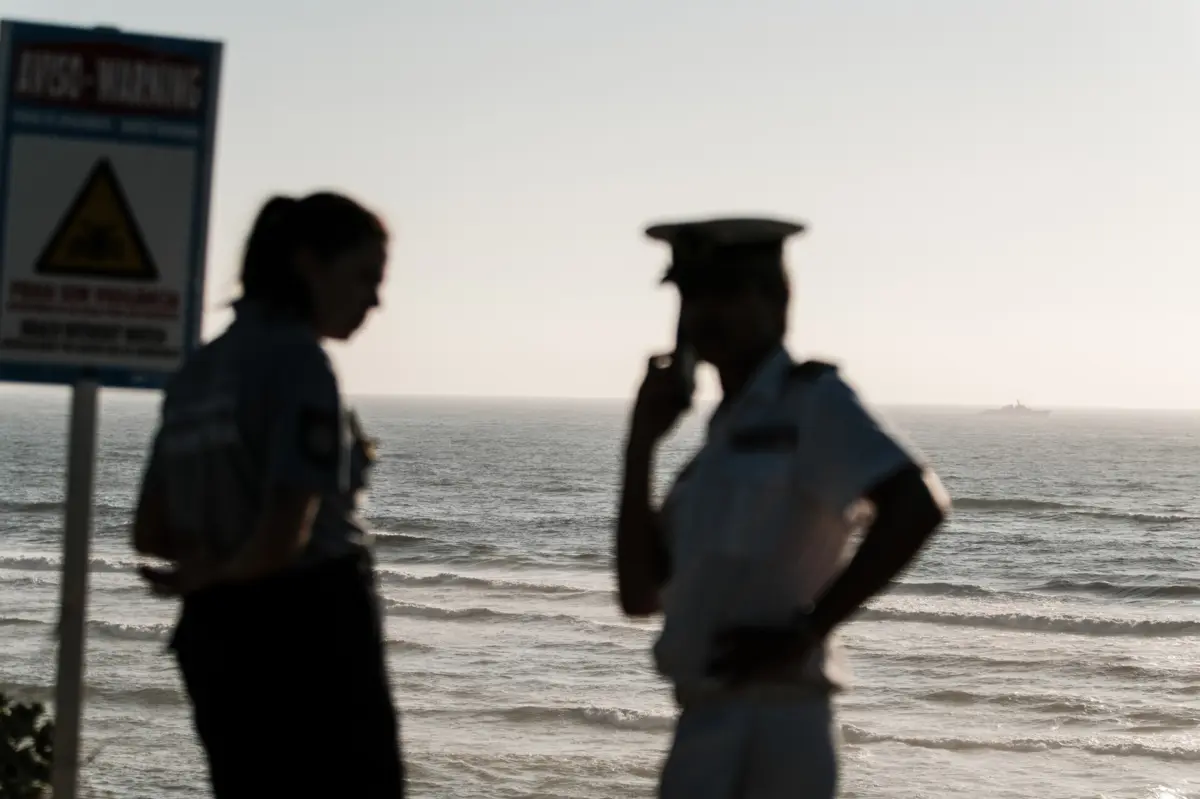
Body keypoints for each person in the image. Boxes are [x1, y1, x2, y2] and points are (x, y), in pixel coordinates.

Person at [615, 216, 950, 799]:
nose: (705, 313)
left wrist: (808, 631)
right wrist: (641, 443)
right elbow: (639, 594)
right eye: (692, 296)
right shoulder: (715, 450)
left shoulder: (810, 402)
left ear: (775, 303)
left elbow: (918, 504)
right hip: (704, 717)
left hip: (777, 719)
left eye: (726, 293)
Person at [130, 192, 405, 798]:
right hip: (312, 635)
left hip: (215, 639)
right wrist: (230, 569)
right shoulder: (300, 362)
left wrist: (209, 570)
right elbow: (287, 531)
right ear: (309, 263)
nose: (374, 300)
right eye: (364, 276)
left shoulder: (196, 373)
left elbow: (149, 530)